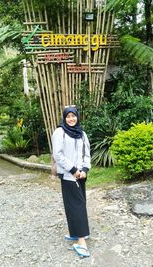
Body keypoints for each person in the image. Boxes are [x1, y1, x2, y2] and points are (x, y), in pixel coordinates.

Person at [51, 106, 91, 258]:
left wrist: (84, 170)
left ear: (78, 117)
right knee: (75, 205)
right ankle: (81, 239)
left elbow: (87, 154)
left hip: (81, 175)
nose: (71, 119)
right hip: (69, 175)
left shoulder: (82, 133)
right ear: (64, 117)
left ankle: (79, 236)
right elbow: (58, 155)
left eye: (74, 116)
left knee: (78, 204)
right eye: (68, 116)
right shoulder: (59, 132)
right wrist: (73, 170)